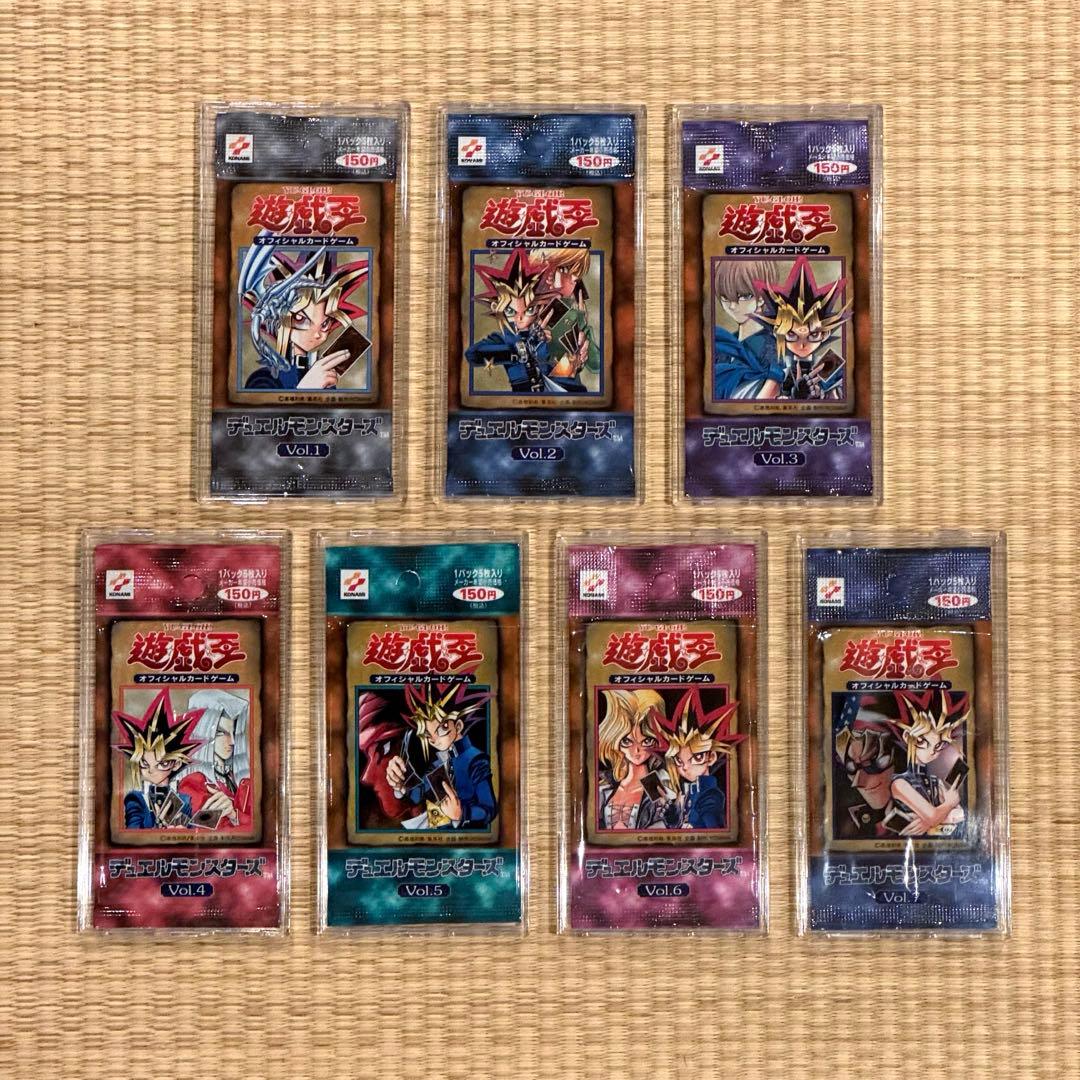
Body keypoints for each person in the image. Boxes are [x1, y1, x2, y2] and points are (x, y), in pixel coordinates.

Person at [239, 244, 368, 390]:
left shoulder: (322, 375)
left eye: (325, 324)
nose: (317, 334)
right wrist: (307, 387)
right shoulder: (263, 378)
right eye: (301, 319)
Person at [113, 689, 204, 829]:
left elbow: (194, 832)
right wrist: (157, 828)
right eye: (144, 763)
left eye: (162, 763)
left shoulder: (184, 800)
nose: (151, 770)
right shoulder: (136, 799)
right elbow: (132, 833)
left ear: (176, 764)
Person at [596, 689, 674, 830]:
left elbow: (666, 826)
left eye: (646, 741)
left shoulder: (656, 785)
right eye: (627, 741)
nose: (636, 751)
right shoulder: (605, 786)